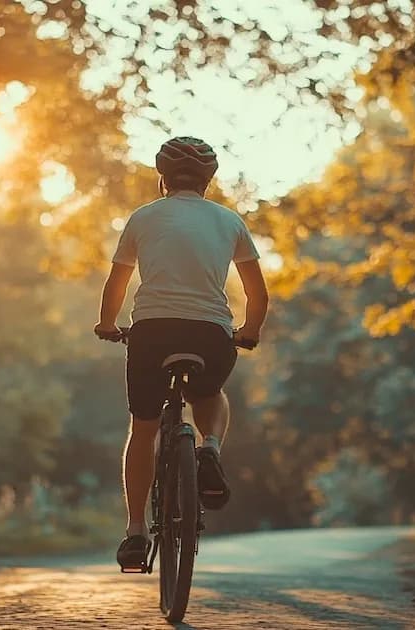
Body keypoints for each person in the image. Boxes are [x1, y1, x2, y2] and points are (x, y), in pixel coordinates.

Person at [94, 136, 270, 571]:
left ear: (163, 178)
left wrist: (107, 323)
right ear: (209, 180)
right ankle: (209, 445)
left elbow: (117, 283)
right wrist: (248, 331)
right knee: (210, 394)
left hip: (152, 332)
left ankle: (136, 532)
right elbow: (258, 293)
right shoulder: (230, 221)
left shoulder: (143, 217)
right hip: (211, 332)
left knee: (144, 427)